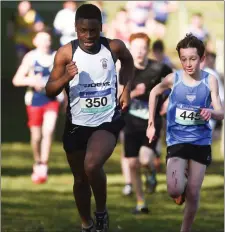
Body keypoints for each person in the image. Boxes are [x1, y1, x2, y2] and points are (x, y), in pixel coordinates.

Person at [45, 4, 134, 232]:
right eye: (83, 30)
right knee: (80, 180)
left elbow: (128, 61)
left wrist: (126, 89)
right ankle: (87, 224)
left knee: (92, 165)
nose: (88, 36)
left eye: (93, 30)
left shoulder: (113, 47)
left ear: (101, 28)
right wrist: (66, 76)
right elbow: (49, 90)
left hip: (106, 120)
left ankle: (101, 212)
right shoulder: (66, 53)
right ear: (75, 28)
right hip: (76, 124)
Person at [147, 33, 224, 232]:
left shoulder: (211, 81)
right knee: (174, 189)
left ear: (202, 58)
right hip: (177, 141)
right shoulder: (174, 79)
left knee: (193, 192)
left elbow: (221, 112)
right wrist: (151, 123)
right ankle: (180, 182)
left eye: (192, 59)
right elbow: (155, 92)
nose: (188, 64)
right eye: (183, 59)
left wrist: (211, 112)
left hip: (200, 142)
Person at [121, 32, 172, 213]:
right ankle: (140, 202)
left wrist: (167, 101)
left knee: (144, 159)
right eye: (136, 48)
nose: (140, 52)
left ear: (148, 49)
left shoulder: (160, 68)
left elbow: (176, 85)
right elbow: (116, 98)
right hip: (130, 122)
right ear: (130, 49)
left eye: (143, 48)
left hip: (152, 120)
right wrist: (134, 93)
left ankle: (151, 172)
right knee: (132, 163)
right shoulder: (123, 70)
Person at [12, 31, 64, 184]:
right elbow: (17, 80)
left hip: (52, 100)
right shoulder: (31, 57)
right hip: (35, 100)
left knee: (48, 131)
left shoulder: (57, 56)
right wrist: (32, 81)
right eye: (42, 40)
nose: (46, 43)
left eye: (48, 39)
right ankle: (37, 161)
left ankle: (44, 165)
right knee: (36, 136)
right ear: (35, 42)